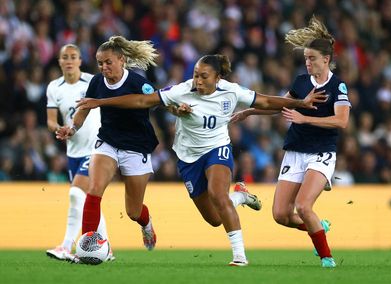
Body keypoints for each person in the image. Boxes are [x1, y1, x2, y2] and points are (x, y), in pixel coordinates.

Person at [74, 53, 327, 266]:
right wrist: (100, 102)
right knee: (214, 219)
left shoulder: (232, 91)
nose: (198, 80)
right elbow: (143, 100)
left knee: (218, 194)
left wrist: (300, 102)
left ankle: (239, 256)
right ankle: (239, 196)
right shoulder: (182, 90)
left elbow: (267, 101)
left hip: (217, 149)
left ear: (218, 78)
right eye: (196, 74)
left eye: (204, 76)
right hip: (188, 158)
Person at [232, 16, 351, 268]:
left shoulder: (338, 86)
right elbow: (280, 105)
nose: (307, 62)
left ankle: (327, 258)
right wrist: (250, 112)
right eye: (306, 58)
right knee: (281, 215)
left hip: (321, 153)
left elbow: (341, 121)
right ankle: (319, 228)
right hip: (295, 151)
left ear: (326, 60)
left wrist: (304, 119)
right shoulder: (300, 82)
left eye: (312, 58)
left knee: (303, 206)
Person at [56, 36, 159, 259]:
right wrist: (72, 128)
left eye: (108, 62)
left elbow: (154, 100)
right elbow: (84, 108)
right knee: (93, 191)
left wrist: (178, 107)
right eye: (100, 63)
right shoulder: (97, 82)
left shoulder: (137, 81)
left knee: (133, 211)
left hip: (136, 147)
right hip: (108, 142)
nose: (103, 67)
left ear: (121, 60)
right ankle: (86, 248)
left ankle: (146, 223)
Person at [46, 44, 113, 261]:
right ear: (59, 61)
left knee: (76, 194)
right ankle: (106, 248)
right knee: (88, 199)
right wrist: (60, 129)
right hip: (73, 152)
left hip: (96, 149)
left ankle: (66, 246)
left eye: (73, 56)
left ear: (80, 61)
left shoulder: (93, 81)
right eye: (64, 57)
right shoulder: (54, 87)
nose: (69, 60)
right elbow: (50, 120)